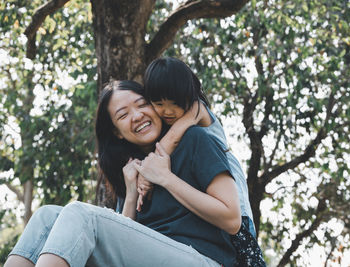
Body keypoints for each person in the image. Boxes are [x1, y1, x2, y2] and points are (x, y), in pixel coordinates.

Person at [5, 80, 241, 267]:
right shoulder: (132, 170)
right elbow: (122, 250)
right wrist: (129, 193)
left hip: (205, 259)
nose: (137, 116)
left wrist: (166, 179)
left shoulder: (195, 139)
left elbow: (232, 220)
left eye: (141, 104)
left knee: (81, 213)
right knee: (46, 216)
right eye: (123, 115)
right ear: (117, 132)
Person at [142, 57, 257, 237]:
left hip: (227, 178)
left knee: (241, 235)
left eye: (175, 103)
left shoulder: (197, 108)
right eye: (159, 104)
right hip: (208, 185)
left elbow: (171, 140)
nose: (168, 111)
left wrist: (146, 174)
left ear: (189, 95)